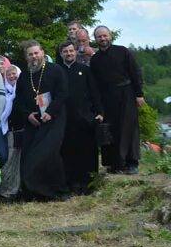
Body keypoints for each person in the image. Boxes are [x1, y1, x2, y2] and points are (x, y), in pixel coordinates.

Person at [13, 40, 69, 200]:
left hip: (54, 118)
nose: (34, 57)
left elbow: (63, 93)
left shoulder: (55, 70)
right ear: (26, 57)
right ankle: (34, 193)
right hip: (33, 121)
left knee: (47, 153)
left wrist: (50, 112)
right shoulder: (24, 75)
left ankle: (58, 191)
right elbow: (19, 100)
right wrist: (28, 115)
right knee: (29, 155)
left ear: (43, 53)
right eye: (30, 54)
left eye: (36, 53)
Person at [90, 26, 144, 175]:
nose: (102, 39)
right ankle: (116, 163)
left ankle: (132, 162)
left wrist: (139, 94)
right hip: (107, 97)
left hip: (126, 93)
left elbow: (135, 72)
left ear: (110, 36)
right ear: (95, 39)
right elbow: (94, 85)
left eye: (104, 36)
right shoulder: (95, 59)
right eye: (99, 37)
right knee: (111, 130)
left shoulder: (122, 51)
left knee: (129, 128)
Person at [59, 40, 104, 193]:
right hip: (65, 120)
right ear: (61, 54)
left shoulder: (85, 70)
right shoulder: (57, 72)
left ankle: (89, 184)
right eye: (65, 51)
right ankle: (71, 185)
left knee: (88, 152)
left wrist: (100, 112)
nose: (69, 54)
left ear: (75, 52)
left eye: (71, 51)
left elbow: (95, 92)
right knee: (68, 153)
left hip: (85, 118)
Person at [0, 65, 22, 201]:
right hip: (9, 131)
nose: (12, 77)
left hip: (24, 130)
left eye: (14, 74)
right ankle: (8, 191)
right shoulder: (5, 92)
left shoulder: (23, 89)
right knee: (10, 161)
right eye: (9, 75)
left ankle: (19, 189)